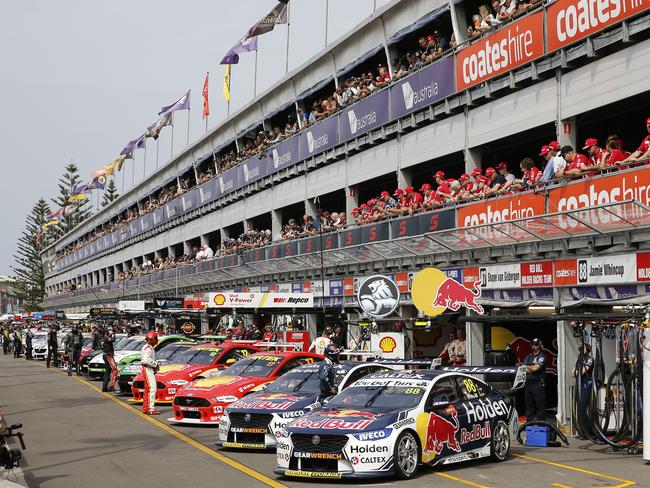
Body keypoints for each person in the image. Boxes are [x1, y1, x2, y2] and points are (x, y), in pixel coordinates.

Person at [573, 342, 594, 436]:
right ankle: (582, 432)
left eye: (583, 348)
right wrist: (577, 372)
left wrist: (577, 372)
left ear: (588, 349)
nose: (581, 349)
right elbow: (573, 372)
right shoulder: (580, 359)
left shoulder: (590, 359)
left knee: (583, 408)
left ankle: (587, 432)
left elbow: (582, 372)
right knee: (579, 409)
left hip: (586, 385)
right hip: (579, 384)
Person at [524, 338, 547, 421]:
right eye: (533, 344)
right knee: (529, 405)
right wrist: (531, 367)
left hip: (538, 384)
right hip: (528, 384)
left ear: (540, 346)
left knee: (539, 405)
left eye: (536, 344)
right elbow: (523, 369)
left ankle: (541, 425)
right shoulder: (528, 356)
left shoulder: (542, 356)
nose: (533, 346)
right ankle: (529, 424)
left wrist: (529, 367)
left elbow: (535, 368)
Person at [141, 331, 160, 415]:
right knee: (152, 389)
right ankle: (150, 408)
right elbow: (146, 360)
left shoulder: (148, 347)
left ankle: (146, 408)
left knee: (148, 389)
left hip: (148, 368)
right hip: (147, 369)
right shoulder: (148, 348)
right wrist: (155, 364)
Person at [102, 327, 118, 392]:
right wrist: (113, 334)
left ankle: (105, 387)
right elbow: (113, 339)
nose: (111, 332)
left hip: (106, 355)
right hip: (108, 356)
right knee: (115, 370)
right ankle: (111, 386)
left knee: (107, 371)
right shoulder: (106, 337)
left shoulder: (105, 338)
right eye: (109, 331)